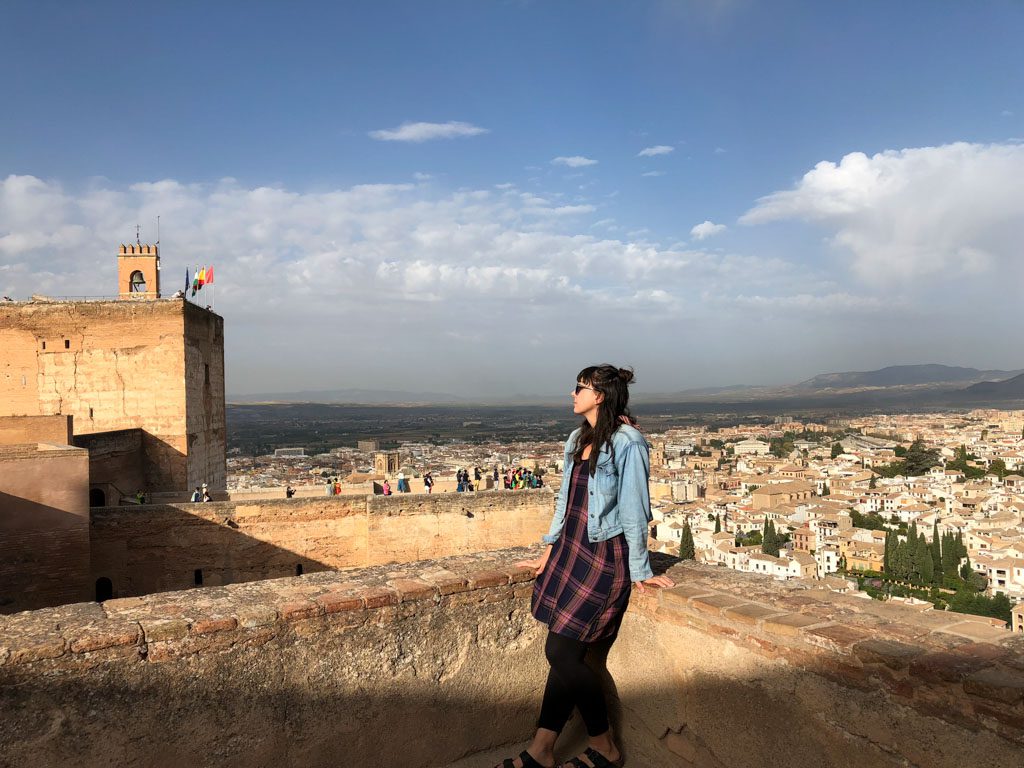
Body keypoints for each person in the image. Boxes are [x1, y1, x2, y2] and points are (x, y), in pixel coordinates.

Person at [499, 365, 674, 768]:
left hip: (603, 556)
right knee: (567, 654)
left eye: (580, 388)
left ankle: (605, 745)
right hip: (570, 551)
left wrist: (641, 568)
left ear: (600, 396)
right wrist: (549, 546)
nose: (573, 394)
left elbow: (635, 509)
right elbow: (566, 500)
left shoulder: (629, 442)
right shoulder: (579, 438)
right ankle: (541, 750)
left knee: (559, 652)